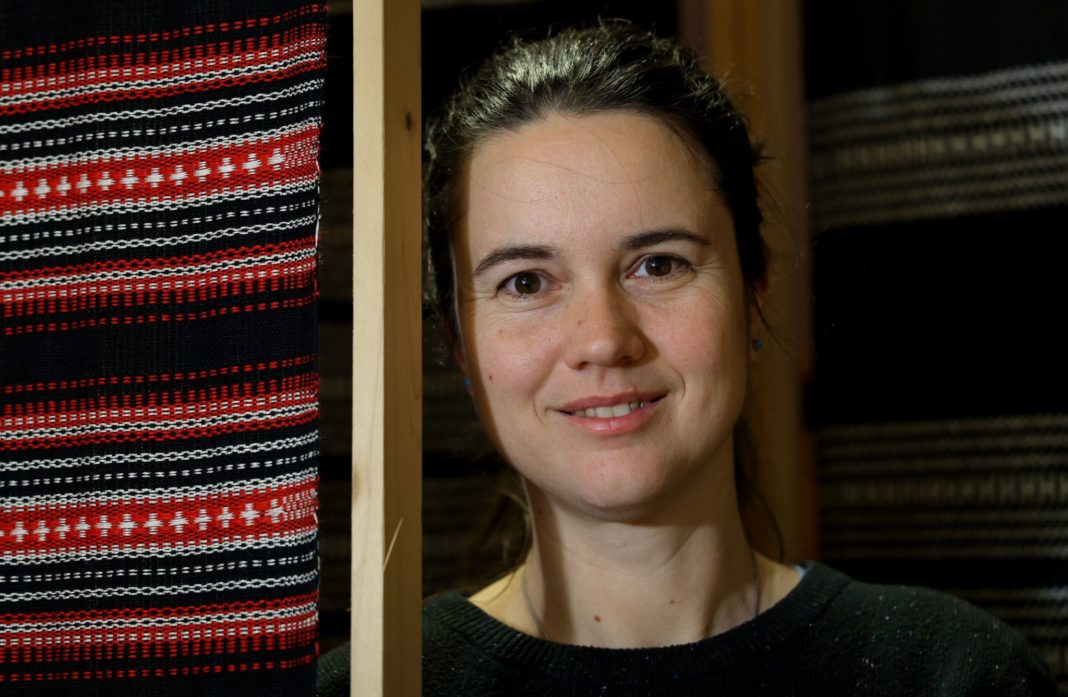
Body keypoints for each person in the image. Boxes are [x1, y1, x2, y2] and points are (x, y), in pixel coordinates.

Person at [318, 22, 1055, 696]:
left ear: (754, 293)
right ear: (458, 341)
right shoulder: (368, 687)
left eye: (659, 265)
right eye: (527, 282)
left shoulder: (952, 674)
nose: (603, 339)